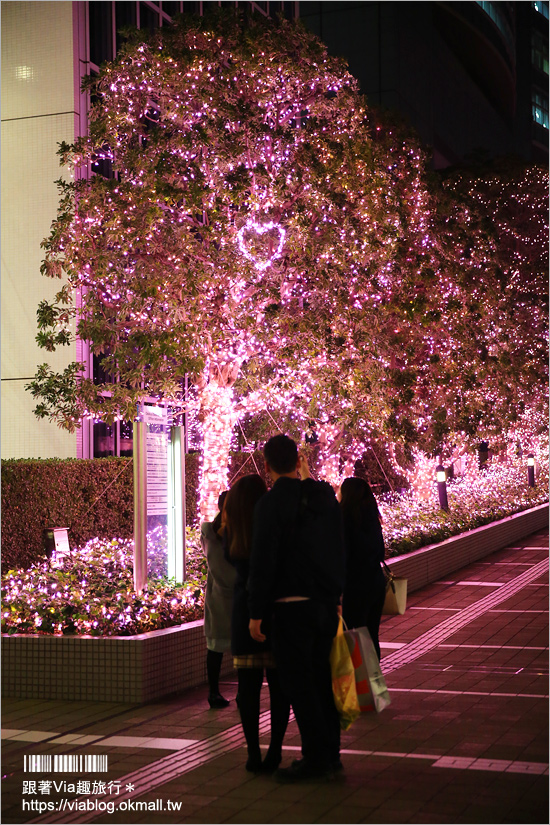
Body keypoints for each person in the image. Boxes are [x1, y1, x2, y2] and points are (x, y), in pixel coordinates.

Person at [248, 435, 345, 782]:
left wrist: (256, 611)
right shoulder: (323, 499)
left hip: (290, 610)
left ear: (267, 466)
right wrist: (335, 596)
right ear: (298, 460)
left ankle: (316, 758)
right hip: (323, 605)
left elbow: (263, 561)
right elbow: (337, 546)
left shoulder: (270, 505)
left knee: (299, 685)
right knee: (321, 681)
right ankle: (331, 755)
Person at [224, 473, 290, 773]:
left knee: (247, 690)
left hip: (244, 615)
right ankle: (275, 751)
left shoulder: (232, 531)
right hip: (274, 612)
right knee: (279, 688)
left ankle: (253, 752)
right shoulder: (272, 524)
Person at [339, 476, 387, 661]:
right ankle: (373, 680)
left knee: (355, 634)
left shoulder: (345, 521)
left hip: (355, 587)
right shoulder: (372, 518)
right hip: (375, 582)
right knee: (371, 633)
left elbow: (344, 556)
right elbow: (380, 551)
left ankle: (362, 684)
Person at [201, 490, 235, 709]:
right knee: (241, 647)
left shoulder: (208, 532)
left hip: (216, 595)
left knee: (215, 647)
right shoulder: (239, 533)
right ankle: (240, 694)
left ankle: (214, 692)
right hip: (235, 595)